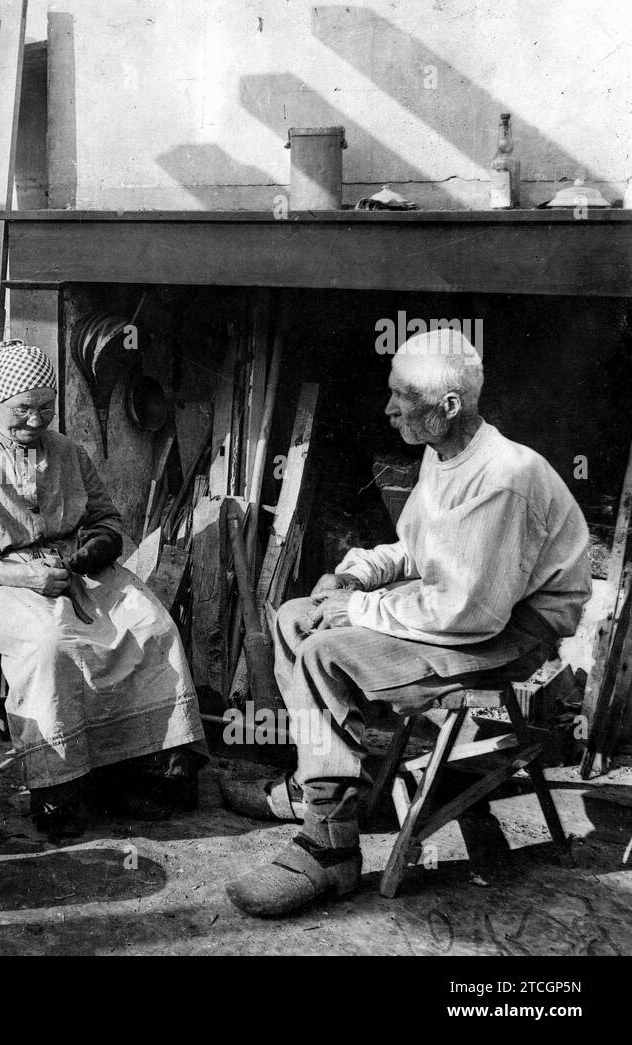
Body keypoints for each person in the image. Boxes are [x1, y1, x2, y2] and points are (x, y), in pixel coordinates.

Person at [224, 329, 591, 917]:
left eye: (402, 397)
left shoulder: (504, 479)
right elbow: (417, 550)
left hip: (510, 631)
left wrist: (359, 610)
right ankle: (325, 785)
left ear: (448, 408)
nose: (389, 409)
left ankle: (329, 848)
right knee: (295, 617)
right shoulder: (444, 452)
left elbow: (467, 613)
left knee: (324, 653)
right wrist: (355, 577)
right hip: (469, 607)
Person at [0, 340, 208, 838]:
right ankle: (59, 790)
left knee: (151, 623)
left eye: (46, 410)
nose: (36, 422)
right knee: (52, 644)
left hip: (76, 567)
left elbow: (105, 518)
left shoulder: (68, 451)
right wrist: (22, 575)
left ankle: (129, 773)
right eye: (23, 411)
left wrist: (96, 546)